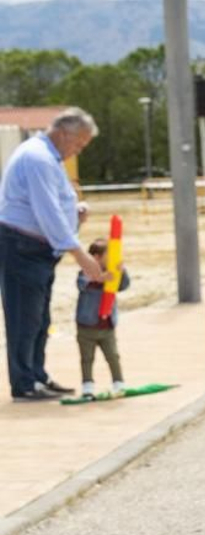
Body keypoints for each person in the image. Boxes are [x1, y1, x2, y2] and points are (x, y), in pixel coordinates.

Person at [0, 107, 104, 402]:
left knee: (39, 318)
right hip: (22, 248)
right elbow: (48, 213)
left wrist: (75, 212)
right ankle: (24, 383)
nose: (77, 151)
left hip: (35, 250)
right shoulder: (38, 158)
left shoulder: (47, 157)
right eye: (78, 144)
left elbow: (54, 204)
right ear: (62, 133)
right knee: (24, 318)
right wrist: (80, 254)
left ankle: (37, 375)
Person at [75, 237, 130, 397]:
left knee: (113, 356)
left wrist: (122, 272)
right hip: (87, 326)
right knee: (87, 358)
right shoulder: (84, 273)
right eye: (108, 256)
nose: (111, 259)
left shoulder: (112, 274)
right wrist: (100, 277)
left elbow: (124, 286)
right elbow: (82, 283)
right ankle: (87, 386)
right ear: (96, 257)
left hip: (107, 326)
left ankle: (118, 383)